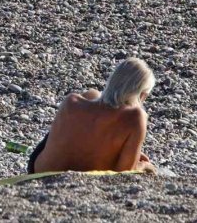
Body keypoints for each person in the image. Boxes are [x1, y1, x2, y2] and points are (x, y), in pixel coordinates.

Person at [28, 57, 158, 174]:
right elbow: (123, 173)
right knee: (94, 95)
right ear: (142, 95)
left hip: (38, 170)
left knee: (91, 94)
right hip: (79, 178)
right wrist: (143, 166)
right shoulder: (136, 117)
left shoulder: (71, 101)